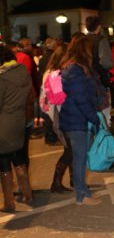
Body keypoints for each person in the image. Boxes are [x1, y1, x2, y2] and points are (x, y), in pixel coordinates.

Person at [59, 37, 101, 206]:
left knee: (79, 157)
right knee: (80, 158)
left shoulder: (73, 67)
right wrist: (94, 117)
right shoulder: (76, 69)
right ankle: (81, 195)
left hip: (74, 117)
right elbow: (81, 98)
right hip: (78, 119)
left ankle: (82, 191)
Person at [0, 44, 34, 212]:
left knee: (3, 162)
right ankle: (27, 194)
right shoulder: (22, 72)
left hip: (3, 125)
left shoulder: (2, 78)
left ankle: (8, 202)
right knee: (19, 157)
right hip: (19, 121)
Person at [40, 43, 73, 193]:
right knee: (70, 149)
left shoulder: (48, 72)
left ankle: (73, 180)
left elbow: (44, 98)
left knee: (70, 148)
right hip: (62, 114)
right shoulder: (60, 73)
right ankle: (56, 182)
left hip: (55, 115)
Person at [85, 16, 113, 125]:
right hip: (100, 80)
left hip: (85, 80)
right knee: (104, 113)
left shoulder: (80, 40)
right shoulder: (101, 40)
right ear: (99, 27)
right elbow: (107, 63)